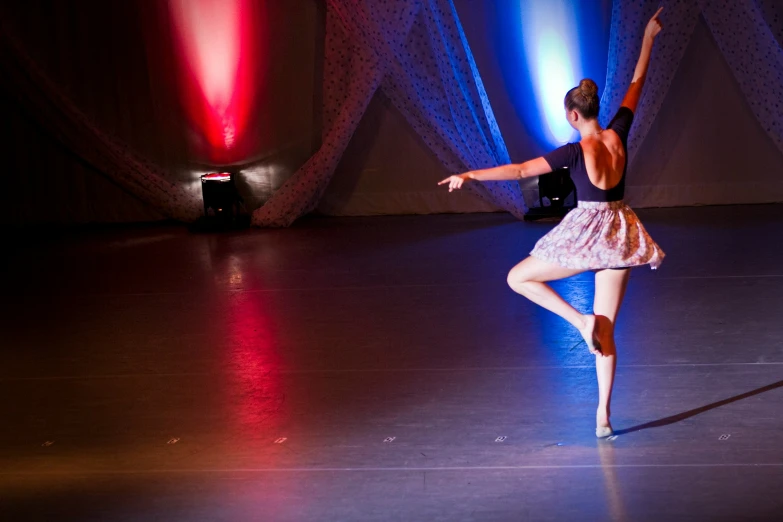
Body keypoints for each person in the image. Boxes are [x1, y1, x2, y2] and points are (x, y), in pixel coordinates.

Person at [438, 8, 666, 438]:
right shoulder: (619, 132)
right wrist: (649, 38)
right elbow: (637, 83)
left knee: (517, 278)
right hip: (620, 236)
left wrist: (470, 174)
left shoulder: (574, 151)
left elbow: (522, 170)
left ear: (572, 116)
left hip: (589, 234)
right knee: (608, 328)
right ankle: (603, 415)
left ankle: (579, 323)